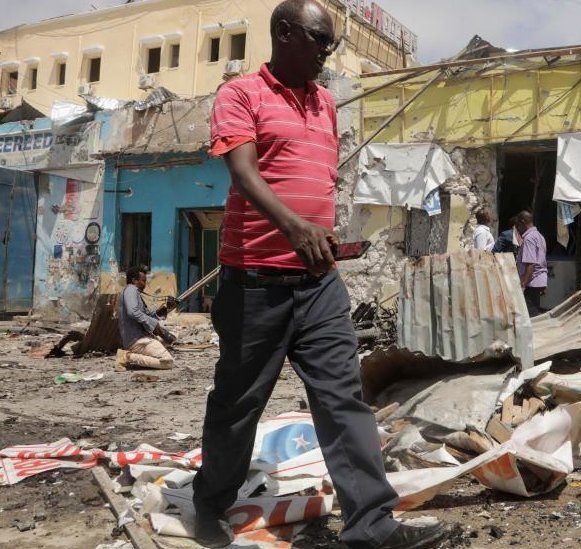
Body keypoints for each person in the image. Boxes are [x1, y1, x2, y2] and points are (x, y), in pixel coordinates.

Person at [194, 2, 445, 548]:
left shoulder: (326, 103)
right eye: (319, 40)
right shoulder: (240, 94)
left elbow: (314, 183)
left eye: (330, 43)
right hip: (254, 286)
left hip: (318, 284)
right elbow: (243, 171)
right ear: (284, 33)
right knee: (238, 408)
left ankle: (372, 526)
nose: (327, 52)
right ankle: (209, 503)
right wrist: (293, 226)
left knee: (343, 399)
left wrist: (320, 234)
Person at [116, 266, 174, 371]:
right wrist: (153, 323)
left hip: (139, 338)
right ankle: (127, 356)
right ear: (134, 280)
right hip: (137, 340)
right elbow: (133, 312)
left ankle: (131, 357)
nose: (145, 284)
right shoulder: (131, 290)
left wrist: (165, 309)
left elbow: (146, 314)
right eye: (143, 281)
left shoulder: (134, 292)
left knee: (167, 345)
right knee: (167, 362)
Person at [514, 211, 548, 316]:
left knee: (530, 315)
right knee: (534, 311)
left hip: (531, 282)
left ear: (523, 222)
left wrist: (523, 284)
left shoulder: (529, 238)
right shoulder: (539, 236)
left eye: (518, 225)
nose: (518, 229)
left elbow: (531, 264)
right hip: (538, 280)